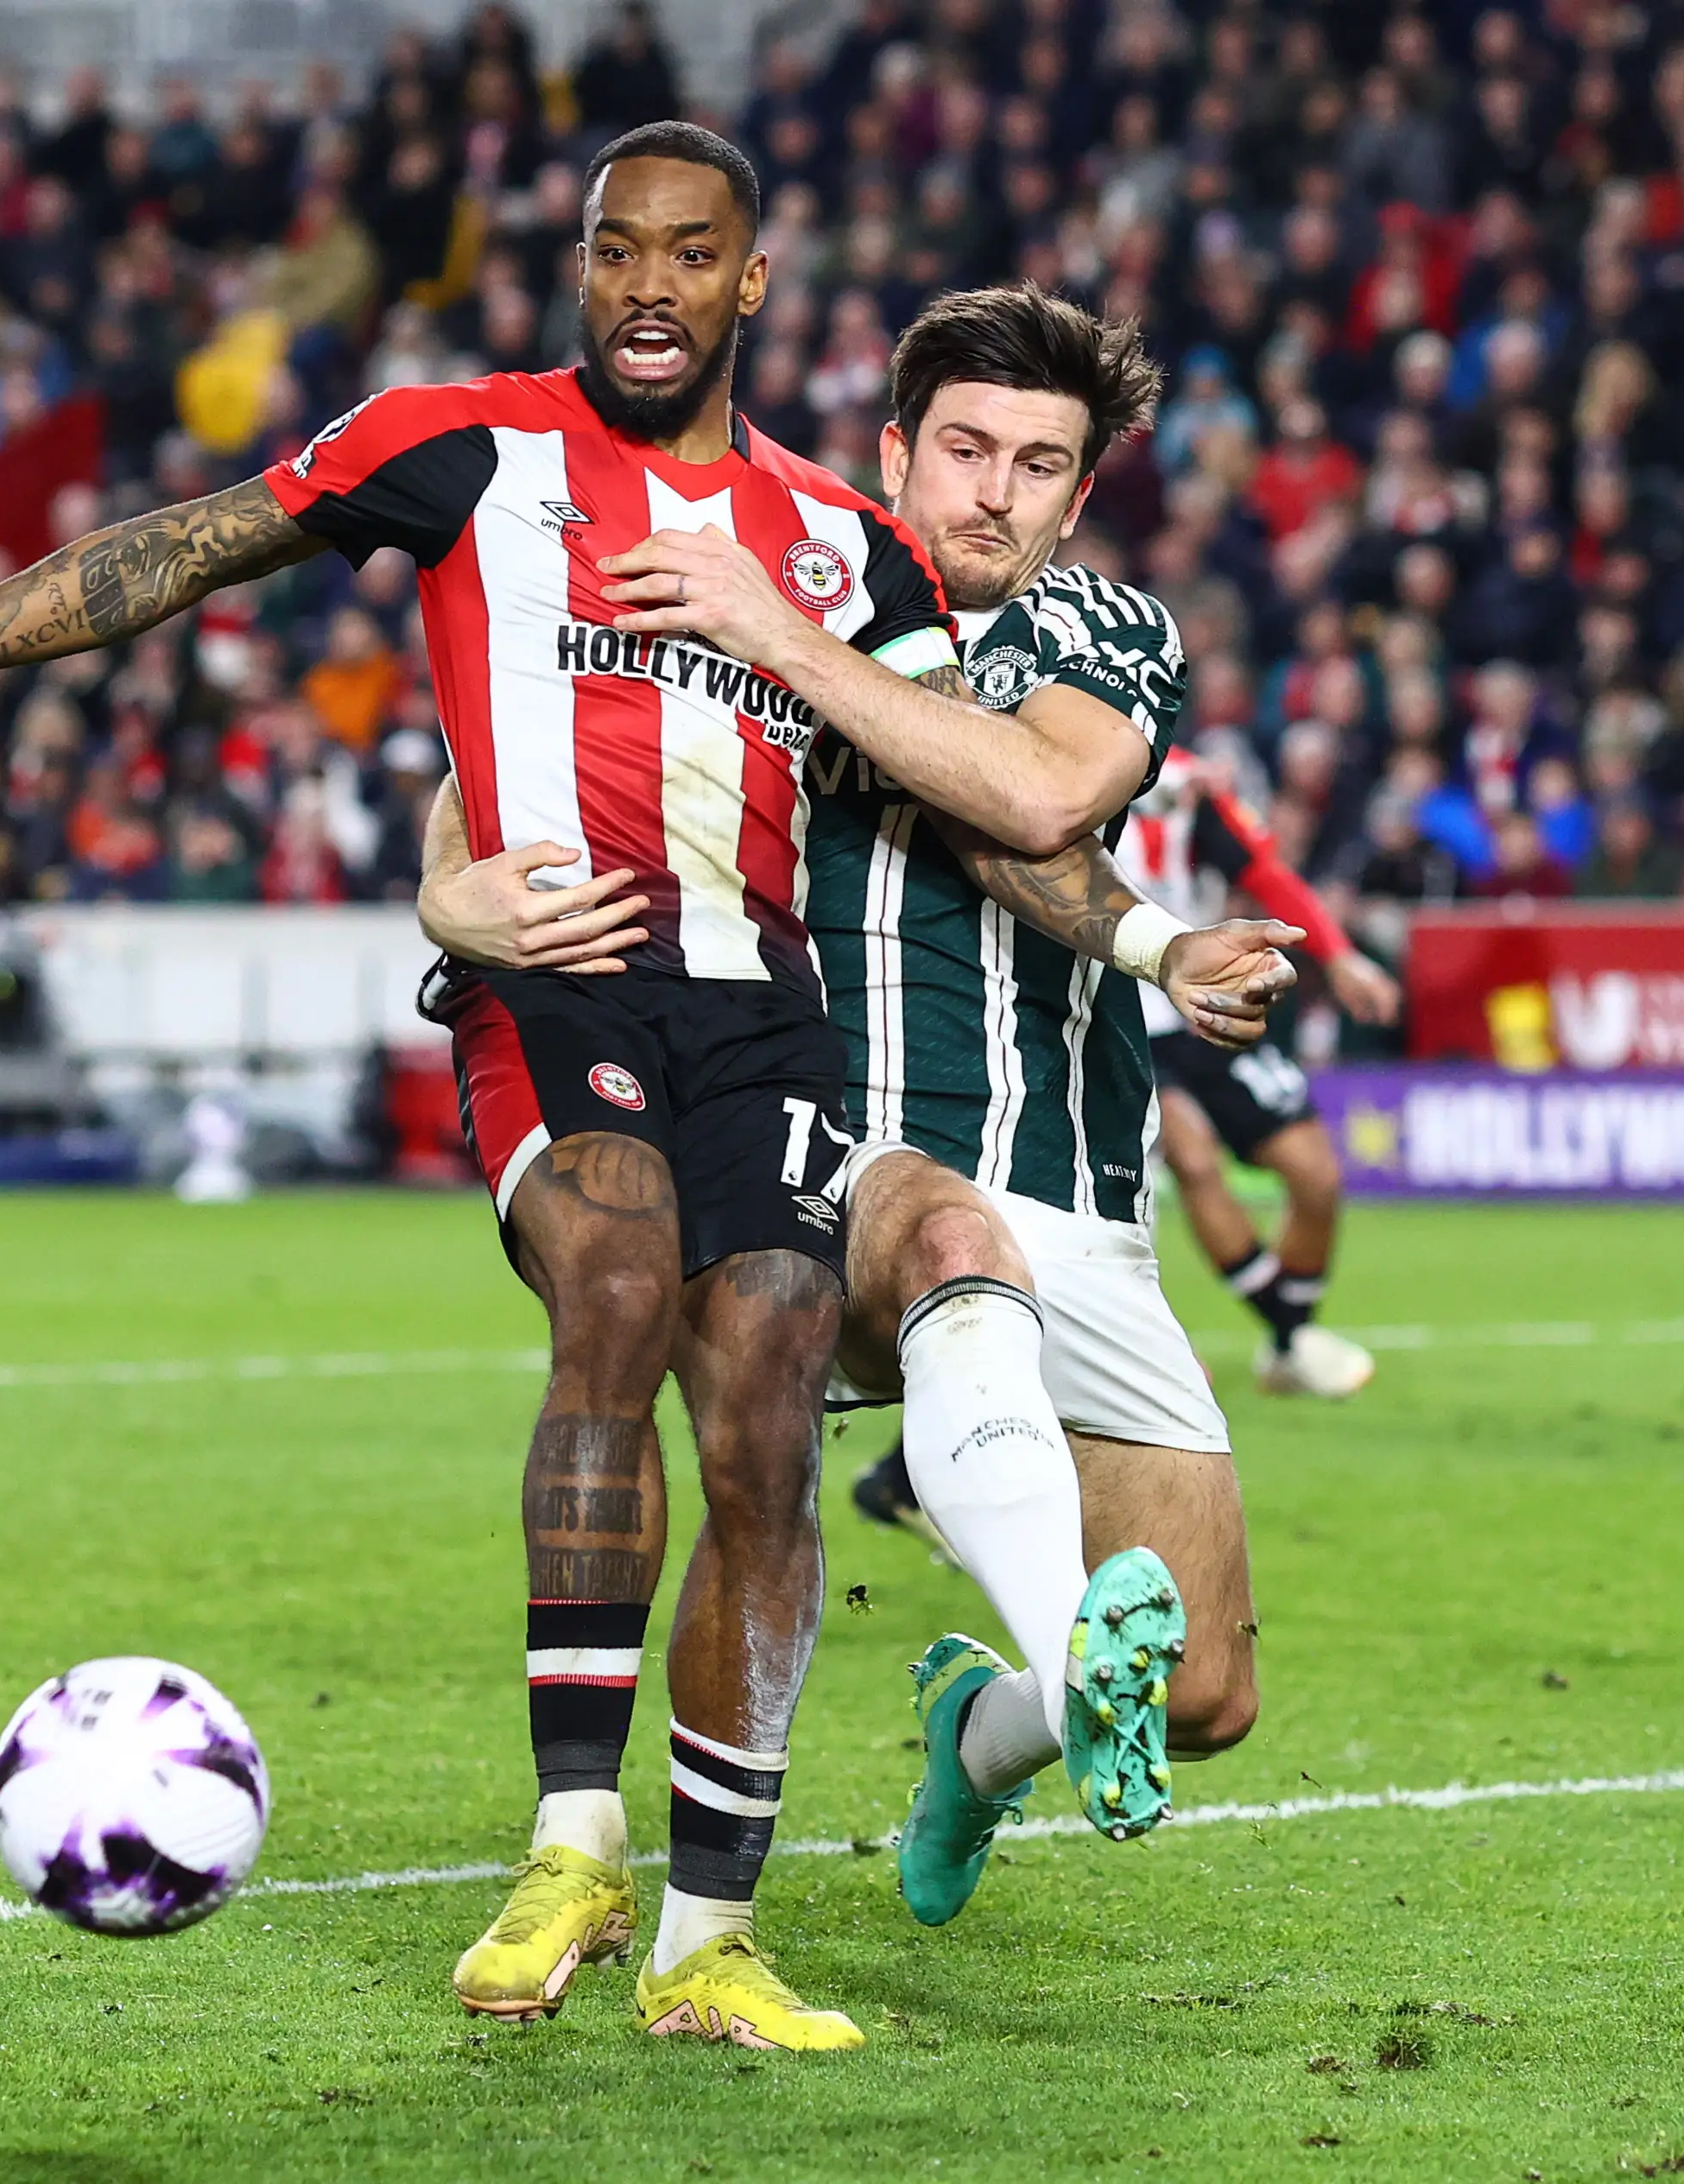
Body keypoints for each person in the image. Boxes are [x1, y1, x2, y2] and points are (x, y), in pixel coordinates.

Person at [0, 125, 1047, 2053]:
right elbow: (173, 553)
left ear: (752, 282)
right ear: (579, 268)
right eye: (614, 249)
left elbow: (983, 789)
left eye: (690, 253)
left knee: (760, 1405)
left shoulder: (839, 537)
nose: (647, 284)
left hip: (764, 1008)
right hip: (549, 974)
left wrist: (1153, 935)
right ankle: (575, 1840)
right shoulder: (461, 443)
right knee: (619, 1278)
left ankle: (708, 1938)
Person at [422, 284, 1306, 1935]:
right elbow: (509, 744)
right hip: (826, 1140)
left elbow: (1036, 800)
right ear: (895, 449)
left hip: (1079, 1190)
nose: (992, 490)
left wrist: (1159, 941)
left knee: (1199, 1694)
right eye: (962, 447)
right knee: (939, 1234)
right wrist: (439, 890)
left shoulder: (1100, 631)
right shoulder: (772, 554)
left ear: (1078, 490)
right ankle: (649, 1863)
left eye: (1037, 463)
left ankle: (979, 1730)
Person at [1117, 744, 1403, 1399]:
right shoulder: (1052, 761)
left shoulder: (1193, 784)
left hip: (1206, 1001)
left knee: (1316, 1175)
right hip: (1117, 1013)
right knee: (1189, 1158)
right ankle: (1293, 1335)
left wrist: (1340, 957)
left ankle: (1287, 1343)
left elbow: (1266, 874)